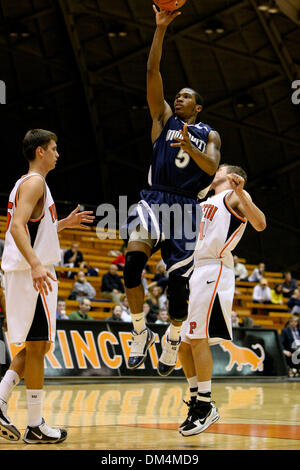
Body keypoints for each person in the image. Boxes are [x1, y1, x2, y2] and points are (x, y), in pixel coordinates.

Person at [123, 6, 221, 375]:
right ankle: (139, 332)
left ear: (198, 106)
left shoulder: (208, 133)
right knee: (132, 265)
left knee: (177, 291)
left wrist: (190, 147)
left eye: (185, 97)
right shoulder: (162, 120)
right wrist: (160, 29)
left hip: (185, 210)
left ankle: (173, 334)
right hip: (154, 198)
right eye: (176, 95)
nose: (178, 99)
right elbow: (152, 71)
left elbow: (211, 168)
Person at [0, 128, 94, 444]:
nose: (57, 154)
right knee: (38, 346)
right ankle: (35, 423)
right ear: (40, 151)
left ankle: (10, 407)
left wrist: (64, 224)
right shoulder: (35, 182)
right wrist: (37, 265)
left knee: (35, 346)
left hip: (27, 271)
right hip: (30, 273)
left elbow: (34, 226)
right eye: (54, 148)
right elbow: (15, 227)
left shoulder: (29, 185)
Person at [177, 164, 266, 436]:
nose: (213, 169)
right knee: (183, 345)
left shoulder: (234, 196)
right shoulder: (206, 201)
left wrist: (242, 191)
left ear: (230, 176)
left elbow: (260, 223)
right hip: (195, 268)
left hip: (214, 268)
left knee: (199, 338)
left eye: (220, 168)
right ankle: (196, 399)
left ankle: (205, 404)